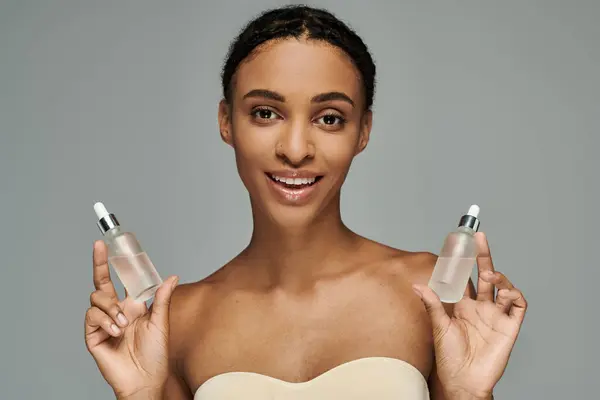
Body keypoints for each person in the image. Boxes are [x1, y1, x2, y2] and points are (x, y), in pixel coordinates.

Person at [84, 5, 527, 400]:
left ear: (363, 131)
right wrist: (140, 395)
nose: (295, 150)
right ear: (226, 121)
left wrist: (470, 393)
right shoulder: (177, 319)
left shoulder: (431, 292)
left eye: (329, 118)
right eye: (265, 113)